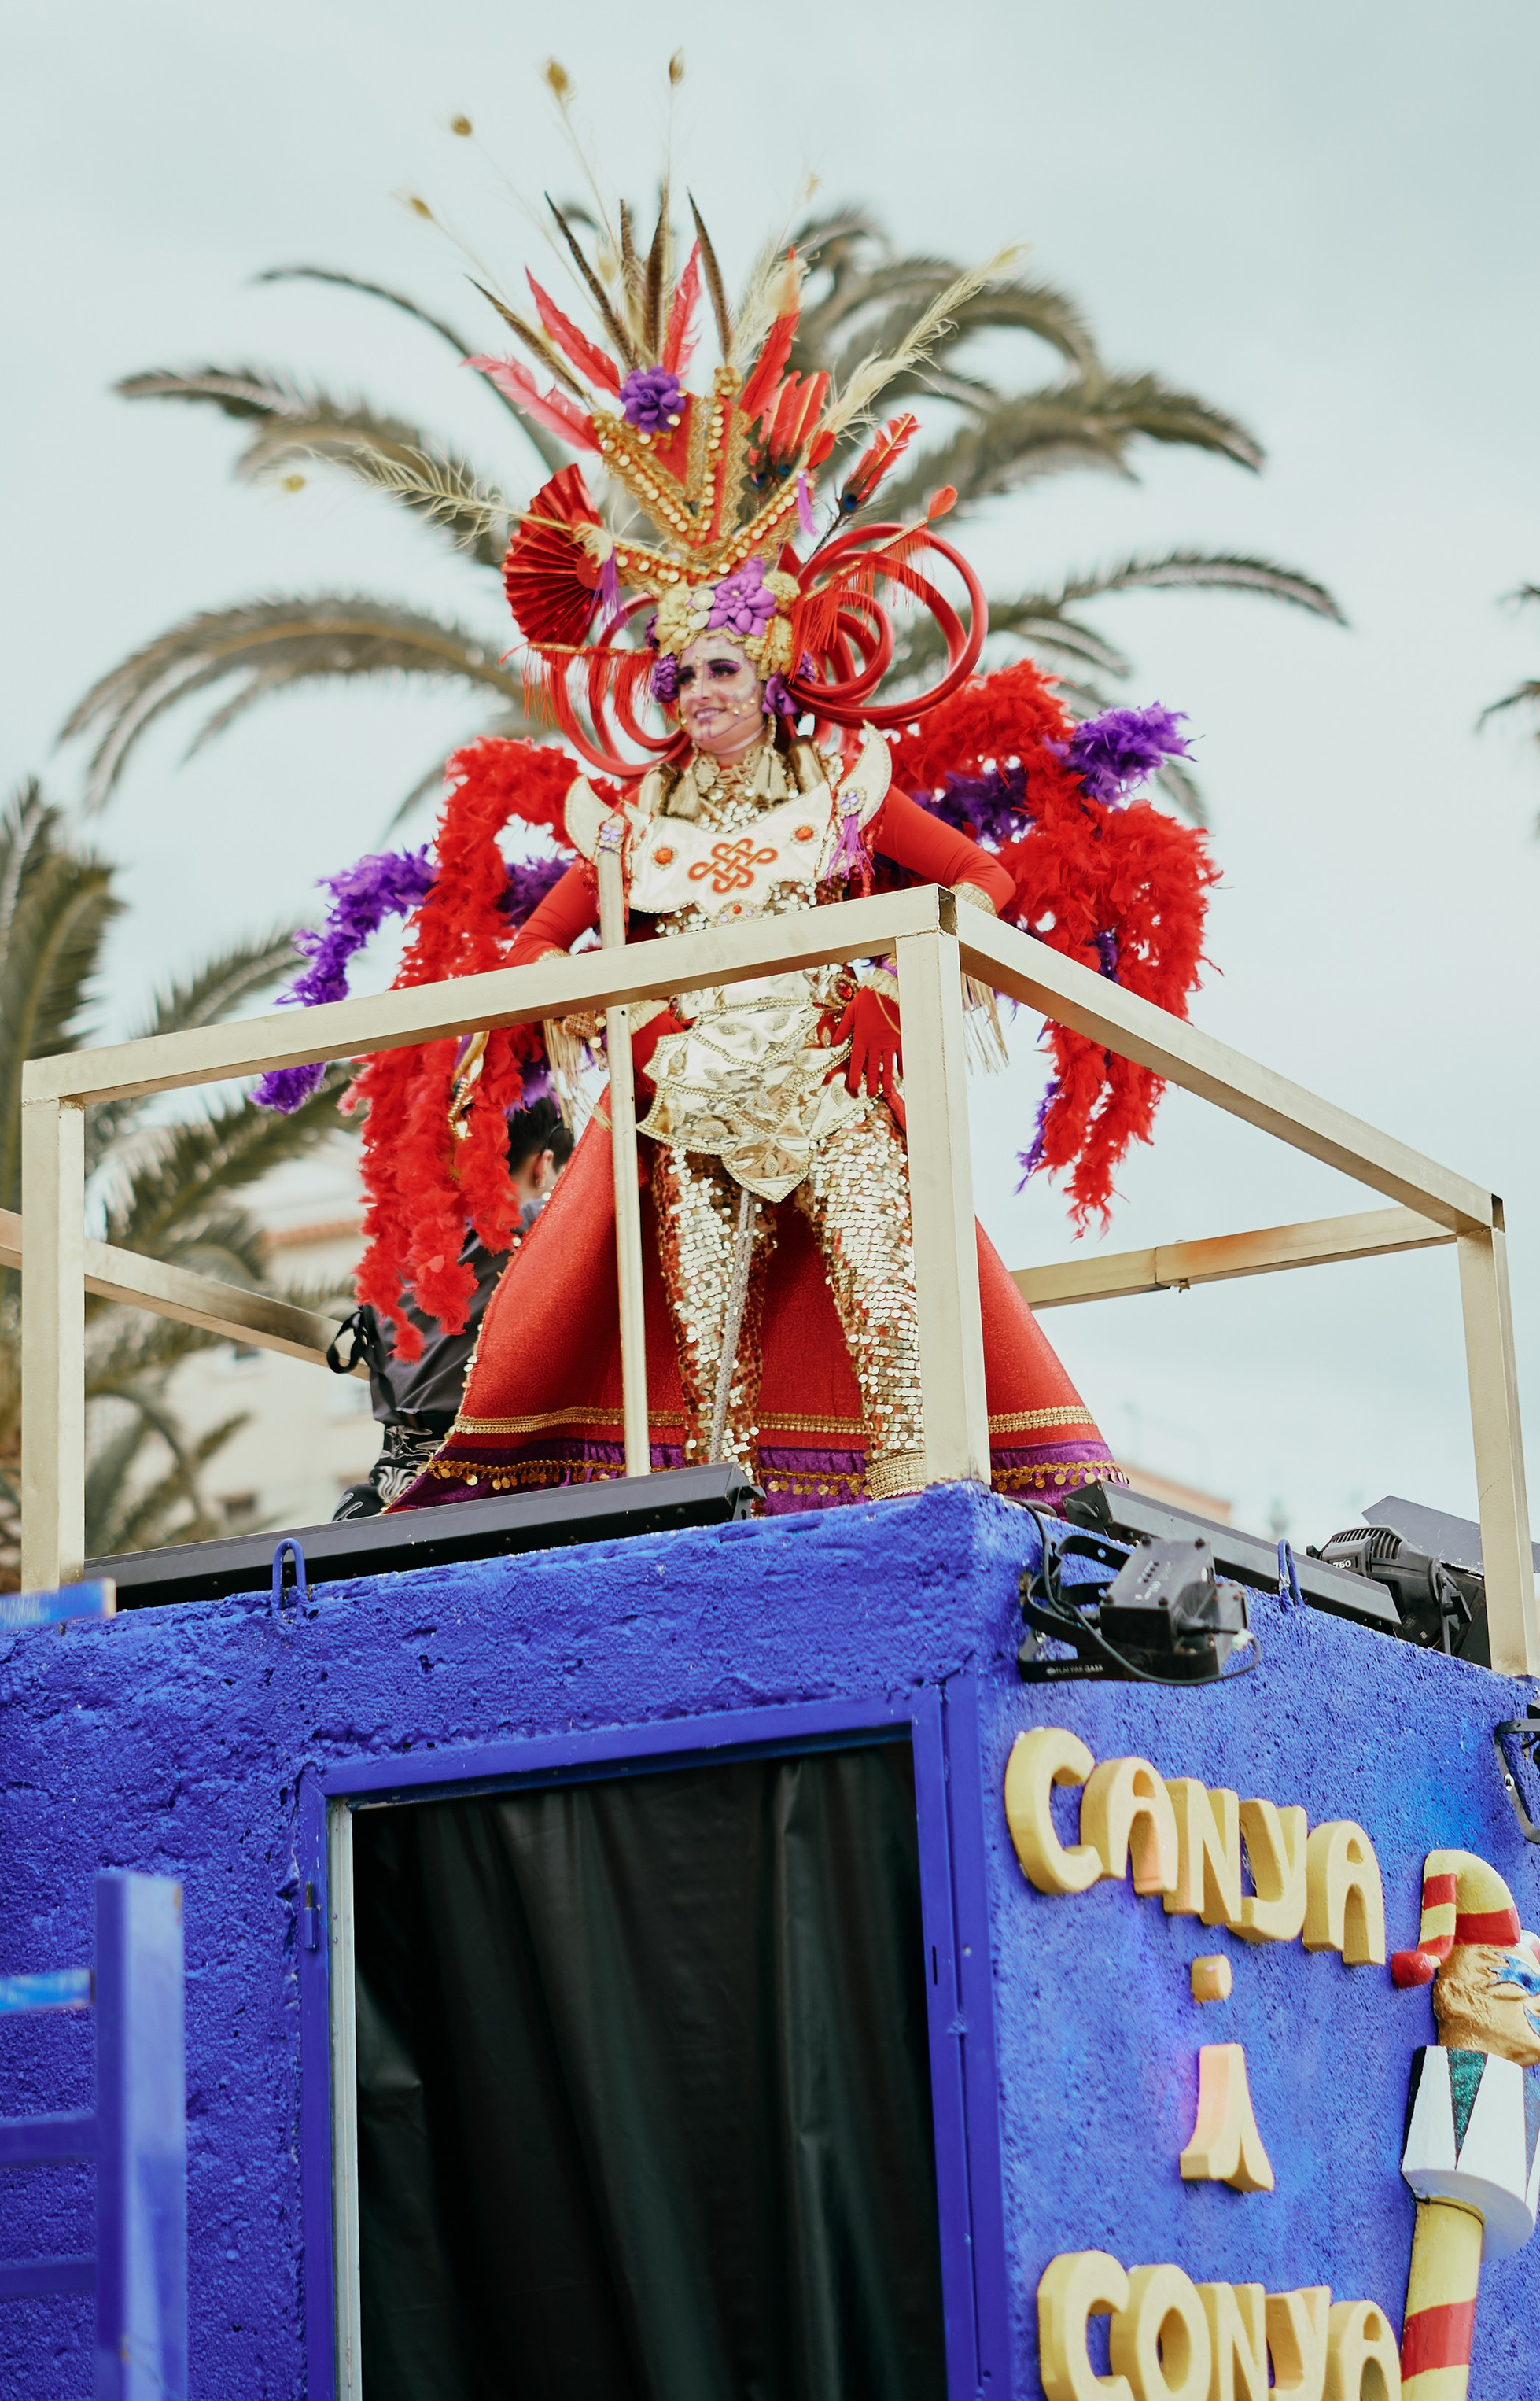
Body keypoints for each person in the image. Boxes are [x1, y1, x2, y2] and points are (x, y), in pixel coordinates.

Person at [286, 201, 1215, 1514]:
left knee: (897, 1331)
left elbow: (983, 884)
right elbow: (543, 944)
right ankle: (720, 1535)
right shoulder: (633, 823)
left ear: (770, 668)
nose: (695, 691)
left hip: (832, 1093)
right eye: (677, 672)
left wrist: (896, 983)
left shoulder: (843, 784)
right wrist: (590, 1029)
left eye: (719, 666)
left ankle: (920, 1525)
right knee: (703, 1382)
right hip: (687, 1118)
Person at [327, 1098, 571, 1518]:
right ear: (542, 1164)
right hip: (491, 1497)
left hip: (391, 1498)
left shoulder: (394, 1263)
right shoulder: (540, 1225)